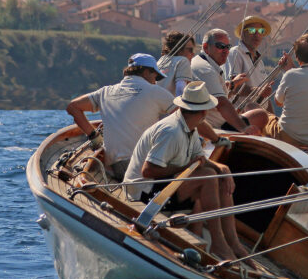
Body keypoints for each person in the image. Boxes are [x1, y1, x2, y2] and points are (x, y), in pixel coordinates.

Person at [122, 82, 247, 261]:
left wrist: (222, 168)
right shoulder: (171, 131)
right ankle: (219, 243)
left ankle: (233, 243)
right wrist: (185, 166)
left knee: (218, 176)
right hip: (143, 193)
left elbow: (199, 158)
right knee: (208, 177)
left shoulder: (189, 127)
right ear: (204, 112)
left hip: (163, 185)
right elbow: (147, 171)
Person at [66, 53, 175, 181]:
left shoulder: (106, 92)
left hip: (117, 169)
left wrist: (94, 136)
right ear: (146, 72)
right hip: (143, 168)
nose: (155, 81)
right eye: (155, 76)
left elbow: (73, 107)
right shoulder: (156, 92)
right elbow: (186, 117)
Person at [263, 33, 308, 146]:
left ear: (297, 57)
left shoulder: (291, 75)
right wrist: (291, 69)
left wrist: (288, 71)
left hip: (290, 138)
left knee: (256, 112)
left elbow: (278, 102)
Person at [191, 28, 268, 135]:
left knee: (252, 108)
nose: (226, 51)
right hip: (216, 126)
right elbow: (222, 104)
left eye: (228, 47)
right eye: (220, 46)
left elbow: (215, 92)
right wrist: (244, 128)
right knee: (260, 115)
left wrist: (232, 84)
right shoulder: (206, 70)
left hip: (215, 121)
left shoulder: (202, 63)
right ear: (206, 47)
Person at [224, 15, 273, 102]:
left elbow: (264, 95)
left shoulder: (259, 61)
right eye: (252, 30)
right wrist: (257, 91)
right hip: (240, 110)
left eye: (261, 31)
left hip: (259, 109)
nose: (257, 35)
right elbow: (233, 87)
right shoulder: (235, 53)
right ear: (242, 34)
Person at [157, 31, 197, 97]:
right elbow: (180, 87)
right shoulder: (183, 60)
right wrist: (181, 103)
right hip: (172, 102)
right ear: (179, 49)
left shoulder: (161, 61)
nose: (193, 53)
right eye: (190, 50)